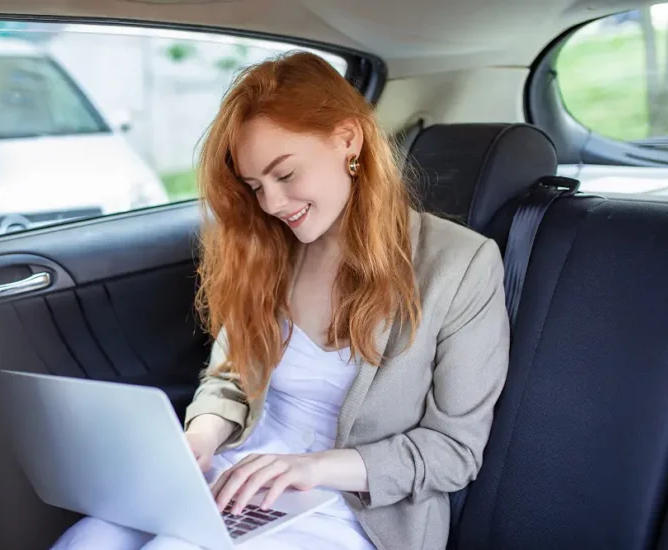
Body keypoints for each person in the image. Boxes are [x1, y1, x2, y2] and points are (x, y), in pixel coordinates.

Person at [53, 51, 509, 550]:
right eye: (255, 186)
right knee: (87, 539)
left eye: (286, 175)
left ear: (348, 139)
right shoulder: (269, 250)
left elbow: (453, 451)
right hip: (241, 474)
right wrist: (199, 441)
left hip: (354, 509)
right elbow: (230, 377)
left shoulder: (460, 265)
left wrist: (310, 469)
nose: (271, 204)